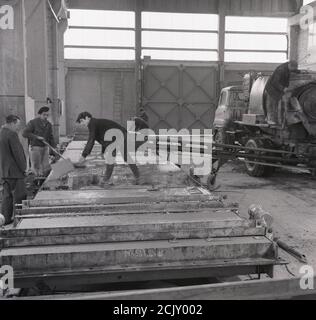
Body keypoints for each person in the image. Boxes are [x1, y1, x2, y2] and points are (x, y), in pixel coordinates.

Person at [76, 112, 140, 184]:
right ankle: (138, 176)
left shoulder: (92, 123)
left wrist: (84, 155)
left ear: (87, 117)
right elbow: (103, 137)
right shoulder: (95, 123)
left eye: (82, 121)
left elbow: (91, 139)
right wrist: (102, 152)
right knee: (125, 157)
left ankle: (105, 180)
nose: (82, 124)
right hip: (121, 136)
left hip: (119, 137)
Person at [0, 115, 27, 225]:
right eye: (17, 125)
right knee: (20, 196)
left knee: (6, 197)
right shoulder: (12, 135)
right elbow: (18, 154)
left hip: (3, 172)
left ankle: (5, 219)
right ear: (11, 123)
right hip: (15, 172)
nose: (18, 128)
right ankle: (18, 220)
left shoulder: (1, 133)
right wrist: (24, 168)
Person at [264, 60, 300, 125]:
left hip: (278, 88)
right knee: (273, 103)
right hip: (272, 88)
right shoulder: (281, 70)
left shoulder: (288, 67)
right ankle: (269, 119)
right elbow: (275, 82)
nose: (293, 70)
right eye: (293, 69)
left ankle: (278, 120)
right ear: (290, 65)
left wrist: (300, 71)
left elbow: (294, 70)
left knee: (278, 103)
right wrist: (283, 88)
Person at [23, 106, 56, 177]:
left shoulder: (49, 124)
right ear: (39, 114)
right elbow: (25, 133)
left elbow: (51, 137)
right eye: (44, 114)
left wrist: (53, 150)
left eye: (47, 115)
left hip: (45, 147)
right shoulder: (33, 123)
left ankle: (43, 182)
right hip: (35, 147)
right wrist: (37, 137)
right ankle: (37, 182)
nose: (46, 116)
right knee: (36, 166)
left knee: (46, 166)